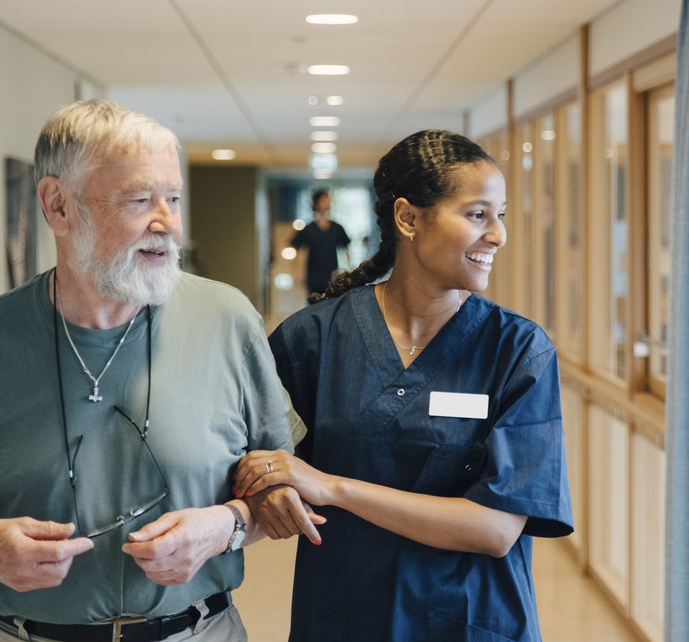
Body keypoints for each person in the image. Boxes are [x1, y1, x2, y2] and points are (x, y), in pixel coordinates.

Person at [0, 99, 308, 642]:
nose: (168, 224)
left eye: (173, 199)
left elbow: (283, 491)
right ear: (58, 205)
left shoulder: (227, 321)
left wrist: (223, 528)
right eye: (139, 200)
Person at [234, 130, 574, 641]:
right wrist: (267, 487)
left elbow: (497, 529)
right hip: (346, 617)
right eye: (478, 214)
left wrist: (334, 487)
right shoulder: (313, 340)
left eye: (500, 215)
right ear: (408, 218)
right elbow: (249, 454)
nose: (499, 234)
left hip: (472, 622)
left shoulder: (517, 351)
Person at [291, 189, 351, 299]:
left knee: (331, 304)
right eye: (324, 200)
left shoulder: (337, 228)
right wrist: (297, 273)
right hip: (313, 277)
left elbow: (346, 250)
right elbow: (298, 250)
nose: (327, 202)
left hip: (332, 276)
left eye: (328, 199)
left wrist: (349, 272)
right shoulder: (308, 229)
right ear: (316, 203)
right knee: (314, 305)